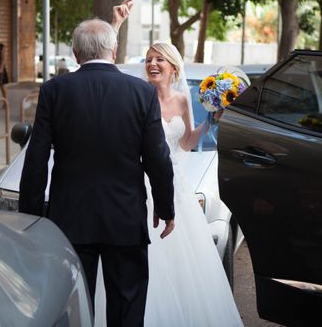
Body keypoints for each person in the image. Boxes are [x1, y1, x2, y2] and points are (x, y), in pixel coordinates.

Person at [18, 17, 175, 326]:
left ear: (76, 54)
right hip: (125, 216)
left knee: (75, 306)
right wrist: (165, 206)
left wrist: (31, 216)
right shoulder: (141, 93)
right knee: (127, 303)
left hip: (71, 218)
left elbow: (36, 157)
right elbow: (158, 156)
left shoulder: (54, 90)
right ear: (113, 51)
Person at [93, 41, 244, 327]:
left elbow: (185, 143)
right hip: (140, 187)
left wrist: (210, 122)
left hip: (177, 188)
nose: (152, 64)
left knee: (184, 267)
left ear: (173, 67)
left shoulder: (183, 101)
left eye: (159, 59)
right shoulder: (136, 96)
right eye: (149, 59)